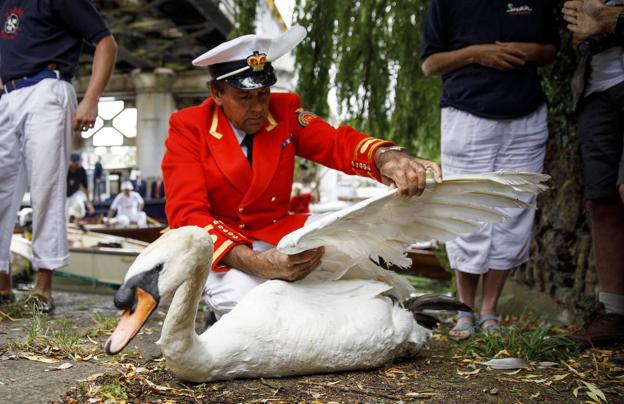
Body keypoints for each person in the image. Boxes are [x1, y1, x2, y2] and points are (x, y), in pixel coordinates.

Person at [161, 26, 443, 319]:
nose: (259, 108)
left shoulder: (284, 110)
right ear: (216, 93)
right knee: (247, 309)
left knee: (359, 254)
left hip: (277, 230)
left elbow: (336, 143)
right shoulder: (188, 126)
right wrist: (253, 262)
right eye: (245, 98)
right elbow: (187, 214)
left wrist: (385, 156)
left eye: (264, 94)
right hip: (224, 246)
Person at [420, 0, 559, 339]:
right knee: (467, 211)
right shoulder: (447, 4)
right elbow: (429, 64)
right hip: (467, 115)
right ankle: (464, 311)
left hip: (526, 116)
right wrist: (476, 53)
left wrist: (525, 51)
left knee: (514, 214)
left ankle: (490, 311)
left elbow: (551, 50)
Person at [0, 0, 117, 312]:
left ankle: (43, 288)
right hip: (6, 95)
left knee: (46, 187)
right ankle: (2, 283)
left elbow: (106, 42)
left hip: (47, 88)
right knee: (1, 190)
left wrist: (91, 98)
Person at [563, 0, 624, 345]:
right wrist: (583, 35)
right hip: (595, 91)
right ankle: (615, 314)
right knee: (601, 201)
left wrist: (609, 19)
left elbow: (603, 19)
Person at [67, 152, 95, 222]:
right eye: (76, 163)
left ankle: (77, 222)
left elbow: (85, 188)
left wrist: (89, 203)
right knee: (66, 213)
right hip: (63, 194)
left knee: (79, 206)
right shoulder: (64, 169)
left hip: (75, 193)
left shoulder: (81, 170)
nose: (78, 165)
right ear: (71, 162)